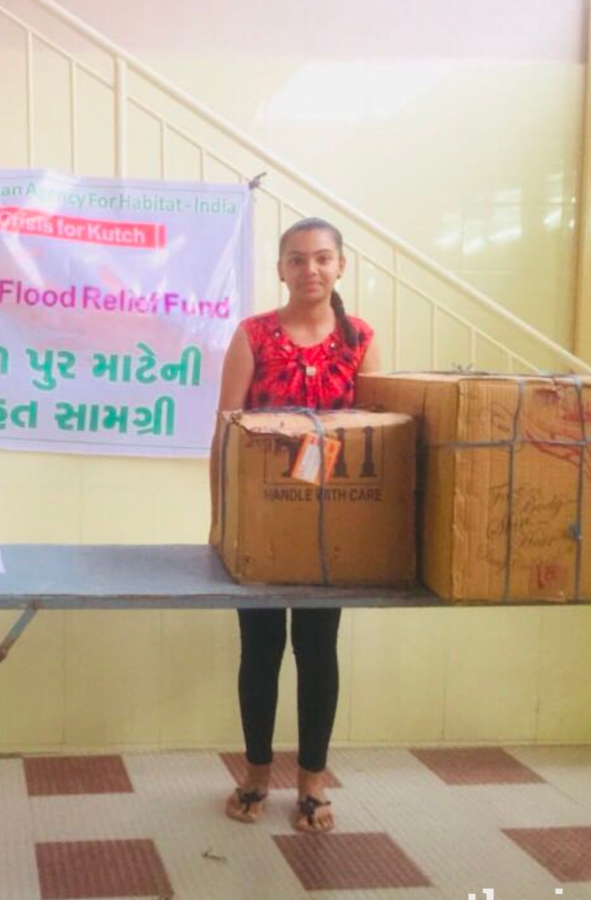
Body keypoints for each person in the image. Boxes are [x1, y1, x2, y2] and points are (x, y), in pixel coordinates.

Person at [209, 217, 380, 832]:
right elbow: (226, 431)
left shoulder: (360, 338)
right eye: (297, 259)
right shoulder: (253, 334)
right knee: (259, 649)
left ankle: (312, 782)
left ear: (340, 266)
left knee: (317, 649)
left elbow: (375, 437)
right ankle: (256, 773)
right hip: (259, 525)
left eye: (323, 258)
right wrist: (220, 519)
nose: (311, 269)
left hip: (332, 529)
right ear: (280, 268)